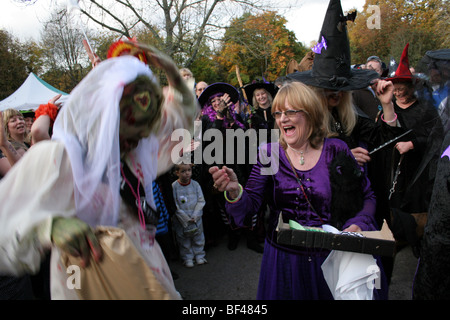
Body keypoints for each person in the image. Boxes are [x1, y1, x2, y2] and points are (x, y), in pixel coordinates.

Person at [0, 41, 198, 299]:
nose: (138, 142)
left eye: (144, 133)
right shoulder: (59, 160)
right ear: (104, 117)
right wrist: (50, 227)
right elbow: (7, 229)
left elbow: (182, 116)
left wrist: (170, 71)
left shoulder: (135, 155)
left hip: (147, 278)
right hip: (89, 284)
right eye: (130, 133)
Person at [209, 81, 388, 300]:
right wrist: (235, 192)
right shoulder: (269, 154)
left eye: (291, 111)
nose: (282, 119)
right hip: (284, 263)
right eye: (278, 113)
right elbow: (250, 208)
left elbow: (367, 197)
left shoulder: (336, 149)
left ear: (311, 114)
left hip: (330, 259)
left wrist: (358, 224)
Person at [375, 44, 443, 256]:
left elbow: (438, 137)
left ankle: (416, 242)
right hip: (393, 171)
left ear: (412, 86)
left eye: (403, 87)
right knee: (395, 211)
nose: (399, 92)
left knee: (416, 212)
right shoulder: (388, 110)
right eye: (396, 89)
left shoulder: (425, 109)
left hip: (418, 172)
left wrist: (414, 144)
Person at [172, 163, 207, 268]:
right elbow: (174, 204)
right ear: (176, 173)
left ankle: (199, 255)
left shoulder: (195, 185)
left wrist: (195, 215)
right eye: (183, 171)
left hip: (196, 218)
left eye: (189, 170)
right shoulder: (174, 186)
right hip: (182, 219)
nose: (187, 173)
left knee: (198, 237)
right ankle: (187, 258)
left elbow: (201, 200)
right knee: (184, 240)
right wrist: (184, 218)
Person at [352, 56, 385, 121]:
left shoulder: (386, 89)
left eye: (376, 70)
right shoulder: (357, 91)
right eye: (370, 70)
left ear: (381, 72)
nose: (373, 73)